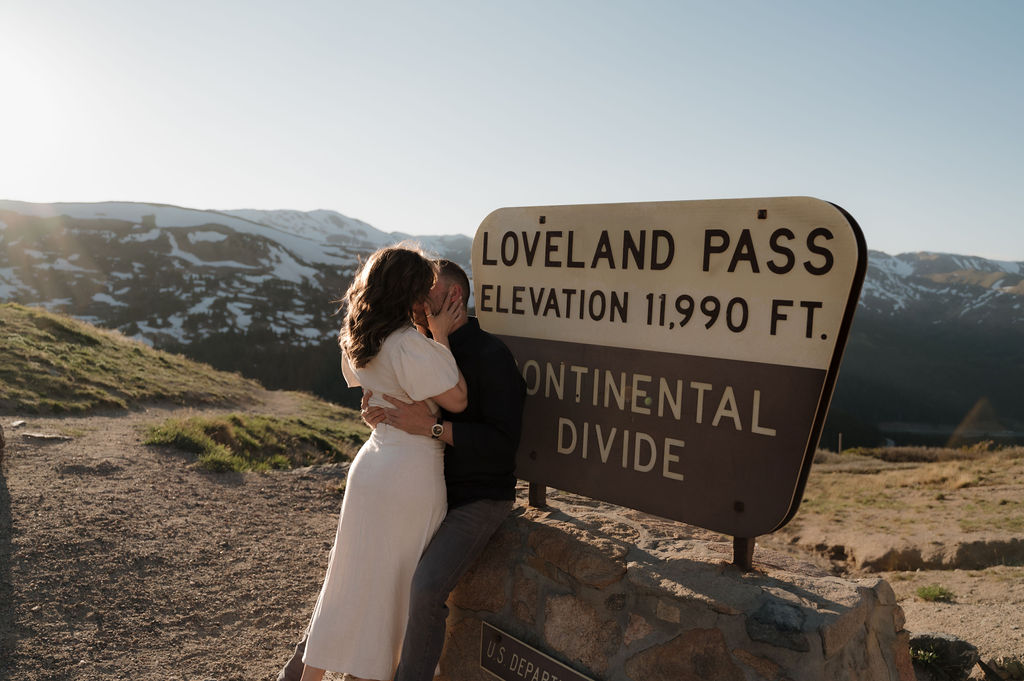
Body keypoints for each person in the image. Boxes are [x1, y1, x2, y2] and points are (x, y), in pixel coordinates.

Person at [278, 259, 526, 681]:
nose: (416, 303)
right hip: (411, 480)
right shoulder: (414, 342)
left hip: (474, 495)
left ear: (454, 298)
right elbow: (431, 394)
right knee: (365, 573)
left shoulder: (489, 356)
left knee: (408, 584)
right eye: (415, 292)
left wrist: (428, 426)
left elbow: (501, 444)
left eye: (426, 295)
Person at [295, 246, 469, 681]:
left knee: (348, 581)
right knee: (393, 590)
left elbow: (369, 390)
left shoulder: (360, 336)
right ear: (409, 291)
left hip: (372, 465)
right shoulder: (411, 345)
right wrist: (442, 335)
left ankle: (311, 675)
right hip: (409, 475)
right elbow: (458, 399)